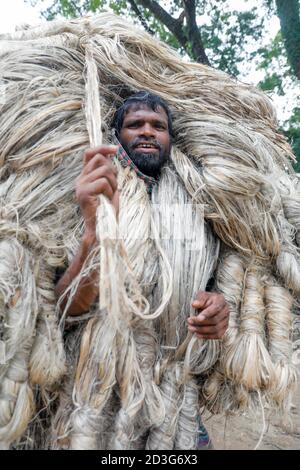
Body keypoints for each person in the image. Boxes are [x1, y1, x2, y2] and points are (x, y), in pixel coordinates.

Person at [55, 91, 230, 449]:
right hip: (97, 392)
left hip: (175, 395)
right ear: (117, 134)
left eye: (158, 126)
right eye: (135, 124)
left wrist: (219, 310)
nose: (147, 131)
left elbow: (216, 291)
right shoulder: (92, 193)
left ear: (171, 137)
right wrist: (94, 234)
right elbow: (64, 309)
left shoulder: (199, 205)